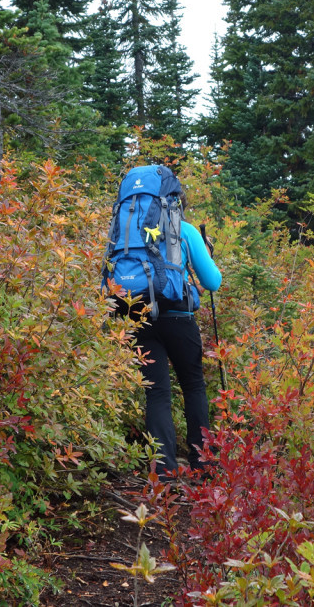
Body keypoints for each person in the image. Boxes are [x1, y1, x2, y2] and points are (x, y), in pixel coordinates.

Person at [133, 198, 221, 477]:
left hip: (141, 317)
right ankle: (202, 463)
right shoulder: (185, 230)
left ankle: (164, 470)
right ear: (176, 205)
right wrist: (206, 252)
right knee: (193, 385)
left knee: (156, 392)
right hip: (179, 318)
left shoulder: (130, 231)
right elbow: (212, 282)